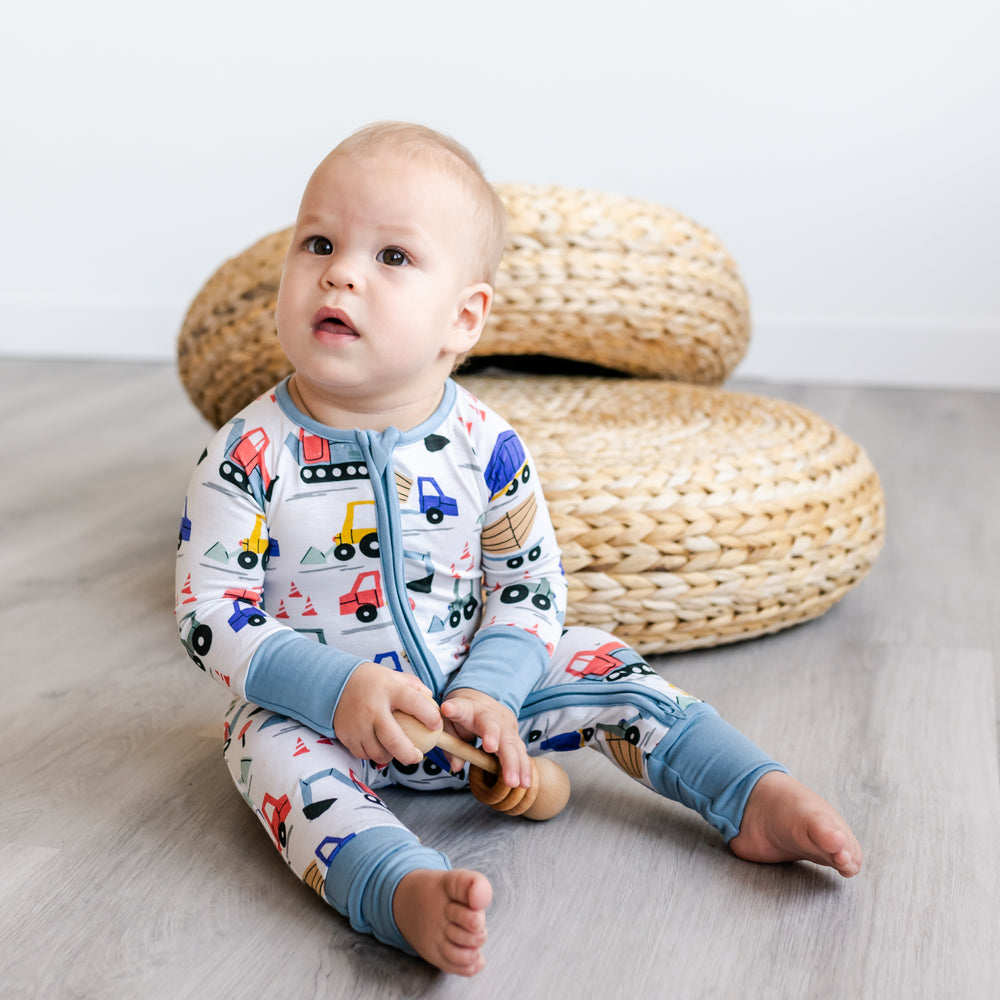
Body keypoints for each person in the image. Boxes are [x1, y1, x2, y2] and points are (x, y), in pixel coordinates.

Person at [175, 121, 862, 977]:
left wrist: (493, 693)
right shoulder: (247, 454)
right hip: (320, 717)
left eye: (392, 256)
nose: (341, 270)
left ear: (463, 318)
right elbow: (211, 612)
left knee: (606, 663)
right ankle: (401, 888)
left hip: (479, 700)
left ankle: (747, 791)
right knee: (269, 756)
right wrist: (334, 688)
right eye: (318, 242)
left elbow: (530, 589)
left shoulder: (486, 447)